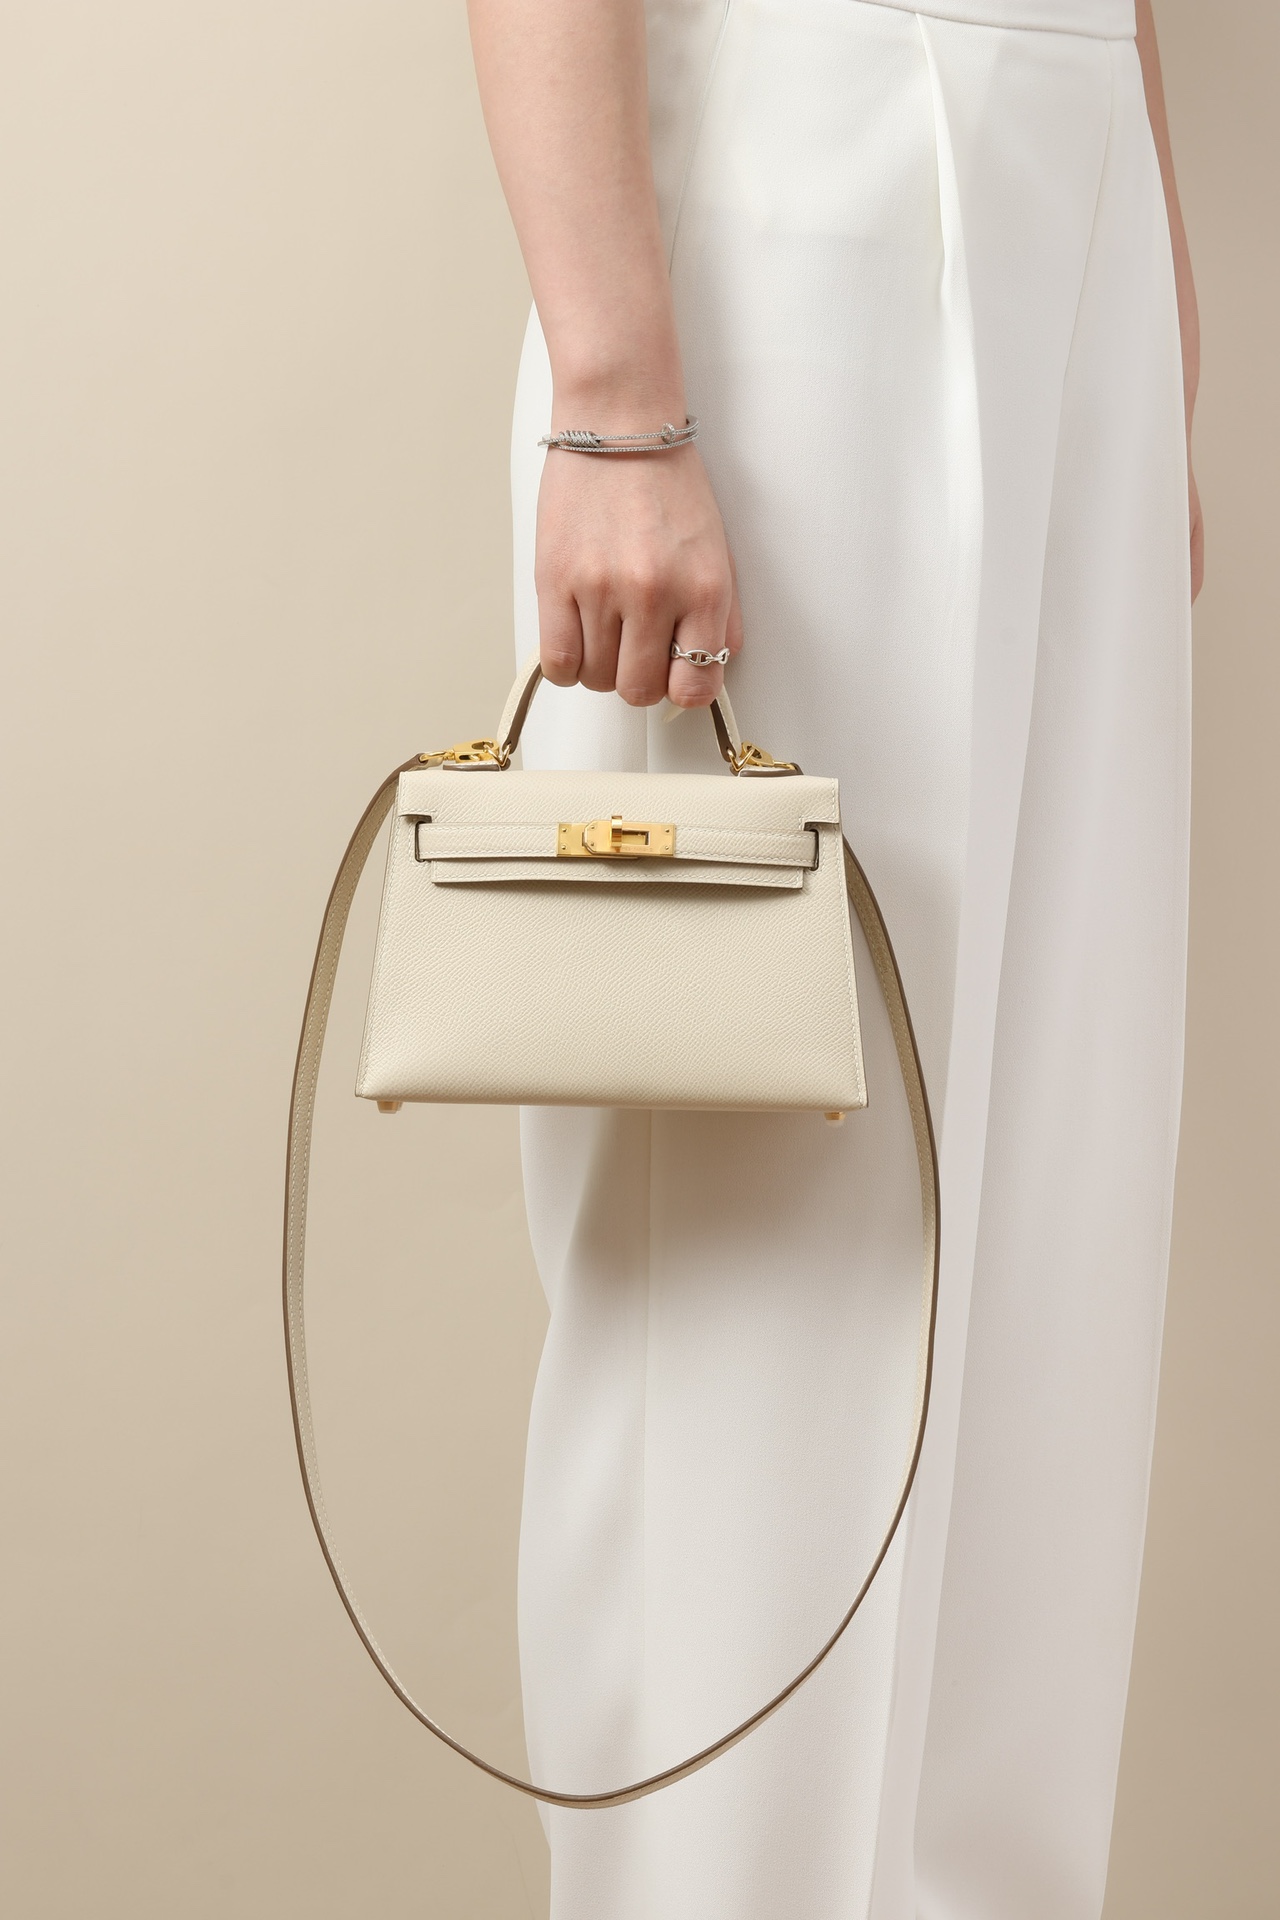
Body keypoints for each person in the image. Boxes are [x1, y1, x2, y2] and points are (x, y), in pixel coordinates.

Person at [467, 0, 1199, 1914]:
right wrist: (615, 398)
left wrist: (1160, 345)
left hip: (1085, 211)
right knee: (770, 1283)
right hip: (808, 190)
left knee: (1045, 1246)